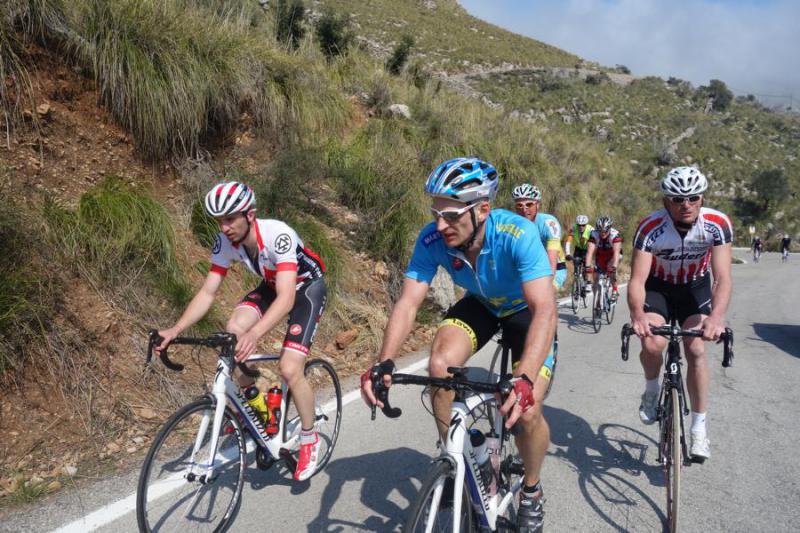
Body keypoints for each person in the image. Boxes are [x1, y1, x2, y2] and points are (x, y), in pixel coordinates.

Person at [360, 158, 557, 532]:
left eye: (450, 215)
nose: (439, 224)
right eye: (435, 212)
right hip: (481, 304)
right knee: (439, 367)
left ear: (483, 209)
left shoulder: (517, 234)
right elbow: (408, 303)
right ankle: (459, 456)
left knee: (526, 411)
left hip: (525, 312)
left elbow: (544, 308)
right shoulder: (432, 239)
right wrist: (384, 361)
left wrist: (525, 378)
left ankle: (531, 491)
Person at [155, 181, 327, 481]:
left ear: (250, 215)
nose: (224, 227)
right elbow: (209, 291)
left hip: (305, 289)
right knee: (233, 330)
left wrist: (256, 333)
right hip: (274, 285)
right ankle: (257, 399)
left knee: (289, 368)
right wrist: (176, 328)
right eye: (219, 221)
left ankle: (309, 438)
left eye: (230, 218)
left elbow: (287, 298)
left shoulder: (278, 235)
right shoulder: (225, 243)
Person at [627, 166, 733, 461]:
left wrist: (717, 318)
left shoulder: (717, 224)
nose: (685, 204)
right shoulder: (650, 227)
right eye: (676, 199)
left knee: (697, 348)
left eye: (692, 197)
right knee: (651, 342)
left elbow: (723, 278)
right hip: (658, 288)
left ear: (701, 199)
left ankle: (699, 429)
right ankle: (651, 391)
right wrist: (637, 314)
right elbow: (637, 280)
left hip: (695, 290)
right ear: (666, 202)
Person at [512, 183, 568, 289]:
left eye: (529, 204)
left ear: (537, 205)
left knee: (544, 295)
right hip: (529, 269)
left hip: (555, 267)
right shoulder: (513, 224)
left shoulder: (549, 223)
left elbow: (551, 261)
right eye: (519, 205)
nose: (524, 210)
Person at [584, 216, 623, 301]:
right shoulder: (594, 234)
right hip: (601, 254)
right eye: (600, 231)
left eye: (605, 231)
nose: (602, 233)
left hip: (613, 255)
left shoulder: (615, 234)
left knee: (610, 267)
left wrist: (614, 267)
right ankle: (597, 300)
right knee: (596, 277)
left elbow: (616, 253)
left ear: (609, 229)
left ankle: (615, 290)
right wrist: (587, 267)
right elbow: (589, 252)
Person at [565, 215, 594, 295]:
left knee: (586, 265)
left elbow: (594, 243)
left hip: (587, 249)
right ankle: (577, 287)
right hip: (578, 248)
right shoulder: (573, 228)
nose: (581, 227)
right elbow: (568, 241)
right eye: (579, 225)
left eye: (583, 225)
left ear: (586, 224)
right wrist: (567, 253)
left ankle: (588, 282)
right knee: (576, 265)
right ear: (577, 225)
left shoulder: (591, 230)